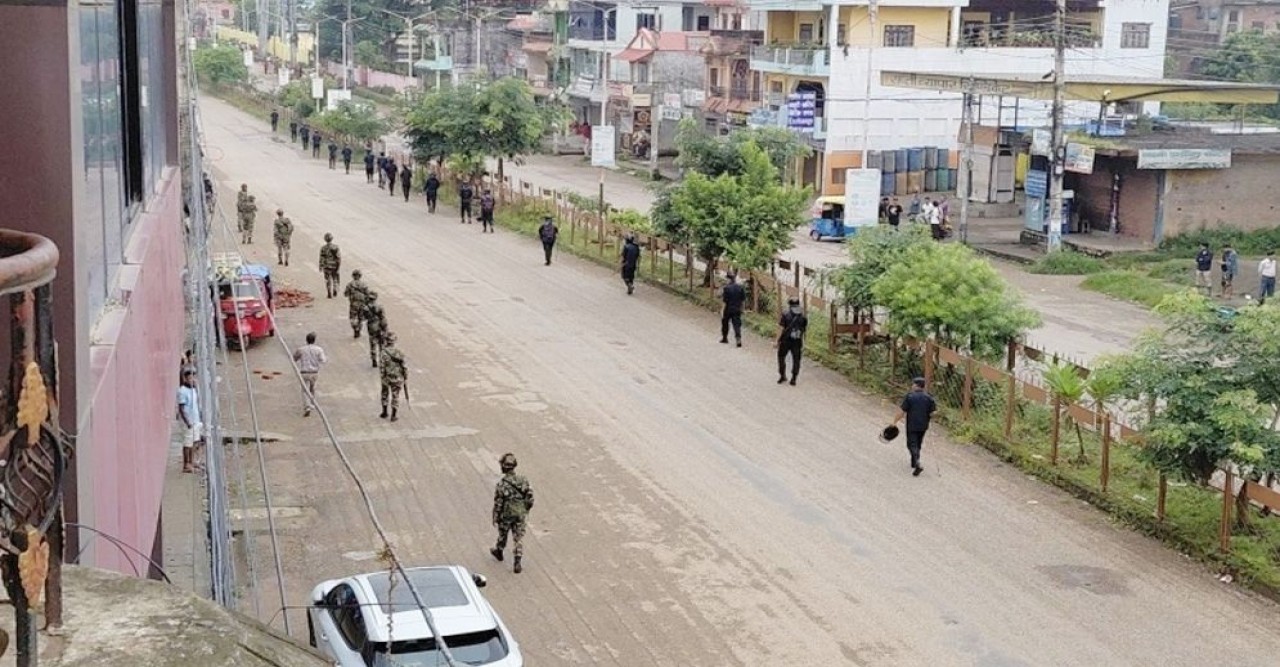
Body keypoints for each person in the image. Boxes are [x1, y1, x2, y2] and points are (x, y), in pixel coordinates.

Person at [490, 452, 534, 574]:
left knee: (503, 534)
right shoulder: (523, 480)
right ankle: (517, 561)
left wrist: (496, 516)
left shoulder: (502, 485)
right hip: (520, 513)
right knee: (518, 537)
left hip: (507, 514)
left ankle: (499, 551)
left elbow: (498, 503)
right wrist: (525, 509)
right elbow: (530, 497)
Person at [893, 377, 937, 477]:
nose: (912, 386)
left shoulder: (910, 397)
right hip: (923, 425)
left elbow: (902, 411)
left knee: (911, 444)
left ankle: (917, 463)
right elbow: (933, 412)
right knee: (918, 443)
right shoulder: (929, 398)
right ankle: (914, 462)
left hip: (912, 424)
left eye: (913, 384)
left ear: (916, 385)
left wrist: (894, 422)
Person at [293, 332, 327, 417]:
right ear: (314, 340)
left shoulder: (301, 349)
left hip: (304, 372)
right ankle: (312, 403)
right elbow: (323, 360)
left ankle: (307, 406)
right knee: (312, 388)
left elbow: (294, 358)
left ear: (306, 340)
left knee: (305, 390)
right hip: (314, 373)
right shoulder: (319, 349)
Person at [177, 370, 203, 474]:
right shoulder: (182, 391)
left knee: (194, 442)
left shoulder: (193, 389)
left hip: (195, 419)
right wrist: (187, 422)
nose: (192, 380)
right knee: (187, 443)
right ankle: (186, 464)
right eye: (190, 378)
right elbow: (181, 408)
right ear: (185, 379)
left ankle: (191, 462)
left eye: (193, 378)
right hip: (188, 421)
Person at [776, 297, 807, 385]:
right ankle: (794, 378)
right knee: (796, 359)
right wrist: (804, 342)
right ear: (798, 304)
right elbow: (804, 331)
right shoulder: (803, 317)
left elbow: (781, 328)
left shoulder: (785, 314)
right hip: (797, 341)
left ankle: (782, 375)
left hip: (786, 340)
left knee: (781, 357)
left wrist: (777, 340)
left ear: (789, 305)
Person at [378, 331, 407, 421]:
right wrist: (405, 376)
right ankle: (394, 415)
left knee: (384, 394)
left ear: (386, 341)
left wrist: (382, 377)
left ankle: (384, 412)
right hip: (397, 377)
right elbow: (404, 366)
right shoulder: (399, 352)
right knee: (395, 396)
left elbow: (381, 366)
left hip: (386, 377)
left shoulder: (383, 352)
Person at [720, 273, 746, 346]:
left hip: (728, 309)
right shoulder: (740, 288)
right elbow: (743, 300)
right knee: (736, 324)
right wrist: (743, 309)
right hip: (737, 309)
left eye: (726, 279)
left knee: (725, 323)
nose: (726, 281)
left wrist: (722, 310)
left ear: (729, 279)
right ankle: (738, 338)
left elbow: (724, 301)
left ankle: (725, 337)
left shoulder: (726, 288)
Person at [343, 269, 370, 338]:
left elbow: (345, 294)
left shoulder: (350, 284)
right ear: (360, 276)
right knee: (360, 318)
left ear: (353, 276)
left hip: (353, 304)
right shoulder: (364, 285)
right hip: (362, 304)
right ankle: (359, 330)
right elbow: (368, 295)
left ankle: (355, 328)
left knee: (352, 318)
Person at [364, 291, 388, 367]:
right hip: (379, 326)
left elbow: (364, 317)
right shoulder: (380, 306)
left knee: (373, 343)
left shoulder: (366, 308)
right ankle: (382, 359)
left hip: (371, 326)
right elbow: (383, 318)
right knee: (382, 344)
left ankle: (374, 359)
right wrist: (385, 329)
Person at [319, 233, 341, 298]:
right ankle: (335, 289)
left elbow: (321, 258)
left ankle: (329, 292)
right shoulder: (336, 247)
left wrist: (320, 266)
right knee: (335, 278)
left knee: (327, 279)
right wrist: (338, 266)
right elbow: (338, 258)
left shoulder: (323, 248)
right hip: (334, 265)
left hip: (326, 266)